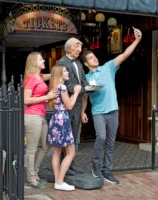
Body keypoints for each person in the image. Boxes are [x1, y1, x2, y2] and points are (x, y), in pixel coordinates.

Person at [81, 27, 142, 184]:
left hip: (113, 111)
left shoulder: (108, 67)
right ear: (86, 64)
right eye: (91, 58)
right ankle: (95, 166)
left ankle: (107, 170)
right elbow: (85, 97)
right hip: (98, 112)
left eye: (94, 56)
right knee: (101, 137)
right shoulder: (86, 78)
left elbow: (124, 55)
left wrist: (136, 40)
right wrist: (82, 112)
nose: (94, 59)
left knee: (110, 142)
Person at [24, 52, 58, 188]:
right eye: (41, 59)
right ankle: (31, 177)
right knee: (31, 149)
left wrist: (62, 69)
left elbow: (54, 75)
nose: (44, 60)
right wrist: (47, 96)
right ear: (34, 62)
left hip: (40, 116)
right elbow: (26, 100)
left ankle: (34, 172)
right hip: (32, 116)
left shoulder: (40, 76)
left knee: (45, 146)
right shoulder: (31, 78)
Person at [46, 65, 81, 191]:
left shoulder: (54, 87)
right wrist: (76, 93)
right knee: (71, 152)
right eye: (65, 71)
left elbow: (64, 104)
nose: (67, 72)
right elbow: (70, 106)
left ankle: (57, 181)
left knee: (57, 152)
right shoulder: (63, 87)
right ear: (60, 73)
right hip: (63, 121)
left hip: (56, 119)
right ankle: (60, 181)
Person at [57, 37, 89, 175]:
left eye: (81, 48)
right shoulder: (62, 62)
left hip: (77, 105)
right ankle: (65, 165)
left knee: (74, 135)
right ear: (69, 48)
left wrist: (86, 87)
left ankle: (71, 164)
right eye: (77, 47)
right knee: (66, 137)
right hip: (66, 104)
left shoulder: (80, 64)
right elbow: (68, 86)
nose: (80, 50)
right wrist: (83, 88)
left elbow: (83, 81)